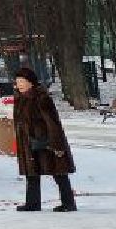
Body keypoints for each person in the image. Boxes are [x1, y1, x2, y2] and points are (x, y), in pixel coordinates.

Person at [11, 66, 76, 211]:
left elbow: (53, 122)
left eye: (22, 81)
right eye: (17, 81)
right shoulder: (20, 98)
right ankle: (32, 203)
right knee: (31, 173)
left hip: (46, 141)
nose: (19, 84)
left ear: (31, 82)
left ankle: (68, 203)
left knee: (58, 172)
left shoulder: (41, 98)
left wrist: (57, 144)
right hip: (28, 143)